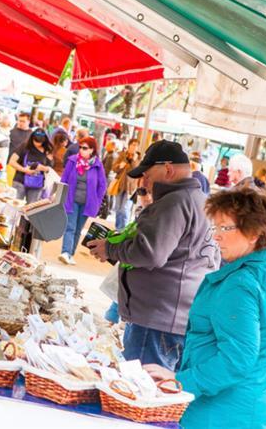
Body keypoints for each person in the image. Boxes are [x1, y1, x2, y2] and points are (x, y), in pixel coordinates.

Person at [144, 188, 266, 428]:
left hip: (225, 414)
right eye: (215, 227)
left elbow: (237, 358)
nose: (216, 236)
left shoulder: (239, 284)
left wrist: (180, 381)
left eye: (225, 228)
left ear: (254, 233)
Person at [88, 140, 219, 370]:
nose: (145, 182)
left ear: (168, 169)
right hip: (179, 319)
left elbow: (151, 253)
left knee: (142, 391)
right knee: (162, 392)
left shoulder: (174, 203)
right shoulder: (201, 202)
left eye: (147, 175)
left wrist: (111, 249)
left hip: (157, 322)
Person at [58, 136, 106, 265]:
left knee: (78, 229)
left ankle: (70, 254)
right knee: (70, 227)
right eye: (80, 147)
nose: (81, 150)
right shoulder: (72, 161)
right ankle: (65, 252)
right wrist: (59, 196)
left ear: (91, 150)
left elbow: (102, 185)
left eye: (85, 148)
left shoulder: (97, 165)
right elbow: (64, 179)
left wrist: (97, 200)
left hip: (87, 203)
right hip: (71, 200)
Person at [8, 128, 53, 203]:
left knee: (31, 210)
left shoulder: (47, 150)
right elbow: (12, 162)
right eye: (35, 141)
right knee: (14, 206)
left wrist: (43, 168)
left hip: (37, 184)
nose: (37, 144)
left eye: (40, 142)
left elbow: (50, 167)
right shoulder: (24, 146)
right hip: (20, 181)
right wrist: (25, 170)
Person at [110, 138, 139, 230]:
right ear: (129, 145)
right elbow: (114, 168)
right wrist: (120, 166)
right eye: (133, 144)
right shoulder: (122, 155)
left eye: (136, 145)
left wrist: (133, 161)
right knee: (118, 208)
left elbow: (137, 171)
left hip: (130, 187)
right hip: (120, 185)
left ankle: (123, 230)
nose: (134, 147)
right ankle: (118, 228)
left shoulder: (138, 158)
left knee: (124, 209)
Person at [7, 112, 32, 185]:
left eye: (23, 121)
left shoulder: (31, 134)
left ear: (28, 122)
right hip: (10, 164)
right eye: (19, 120)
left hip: (23, 167)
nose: (20, 123)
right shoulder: (11, 132)